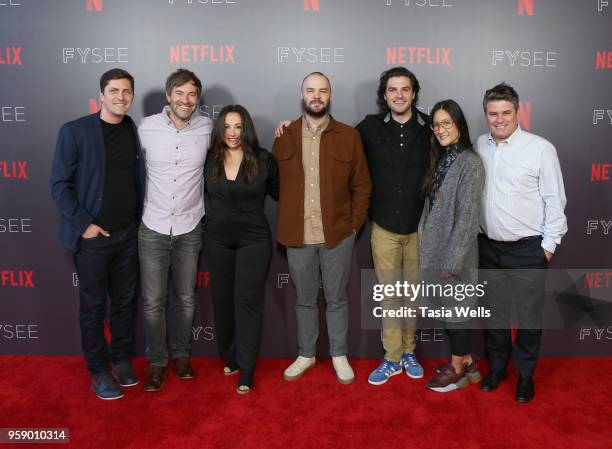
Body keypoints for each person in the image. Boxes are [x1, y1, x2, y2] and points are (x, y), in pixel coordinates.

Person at [50, 68, 145, 400]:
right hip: (93, 239)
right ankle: (98, 369)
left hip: (128, 235)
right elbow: (60, 186)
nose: (121, 97)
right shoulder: (74, 131)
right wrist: (84, 225)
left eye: (127, 92)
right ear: (101, 95)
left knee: (123, 303)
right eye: (114, 91)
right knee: (92, 307)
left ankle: (120, 359)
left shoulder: (132, 128)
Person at [272, 72, 371, 384]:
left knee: (337, 298)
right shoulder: (284, 135)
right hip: (297, 235)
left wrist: (353, 226)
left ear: (330, 96)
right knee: (304, 299)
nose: (317, 96)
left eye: (323, 91)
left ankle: (339, 354)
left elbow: (362, 185)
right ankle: (306, 354)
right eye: (311, 90)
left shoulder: (349, 136)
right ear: (302, 95)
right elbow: (274, 184)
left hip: (337, 235)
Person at [476, 83, 567, 403]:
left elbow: (556, 201)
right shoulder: (479, 145)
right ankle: (498, 369)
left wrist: (548, 246)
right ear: (485, 114)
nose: (499, 119)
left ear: (518, 112)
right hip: (487, 247)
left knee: (528, 317)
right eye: (493, 113)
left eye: (506, 113)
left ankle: (526, 374)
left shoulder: (541, 148)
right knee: (493, 314)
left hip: (527, 248)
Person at [137, 68, 212, 392]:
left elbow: (242, 138)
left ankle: (181, 355)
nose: (186, 99)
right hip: (152, 226)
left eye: (192, 94)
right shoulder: (146, 128)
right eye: (179, 93)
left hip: (190, 226)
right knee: (153, 301)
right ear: (169, 96)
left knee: (185, 298)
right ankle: (157, 362)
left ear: (197, 99)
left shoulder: (208, 127)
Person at [355, 67, 430, 385]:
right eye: (392, 89)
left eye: (405, 89)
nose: (398, 95)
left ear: (414, 93)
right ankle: (391, 357)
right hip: (384, 226)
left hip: (419, 228)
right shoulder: (368, 128)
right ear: (384, 95)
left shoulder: (431, 126)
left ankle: (409, 351)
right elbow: (336, 144)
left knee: (411, 295)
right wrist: (291, 127)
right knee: (389, 295)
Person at [203, 105, 279, 394]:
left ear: (245, 128)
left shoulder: (262, 159)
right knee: (222, 302)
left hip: (254, 240)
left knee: (247, 302)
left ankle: (246, 368)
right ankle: (231, 356)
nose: (232, 133)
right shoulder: (209, 159)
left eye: (238, 126)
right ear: (220, 130)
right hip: (216, 240)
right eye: (227, 127)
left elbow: (283, 191)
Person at [418, 99, 485, 392]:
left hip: (454, 254)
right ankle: (469, 362)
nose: (441, 129)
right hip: (435, 249)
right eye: (436, 124)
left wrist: (453, 260)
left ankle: (457, 367)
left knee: (458, 311)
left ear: (459, 125)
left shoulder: (469, 162)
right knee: (449, 310)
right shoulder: (442, 158)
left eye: (447, 123)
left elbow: (469, 218)